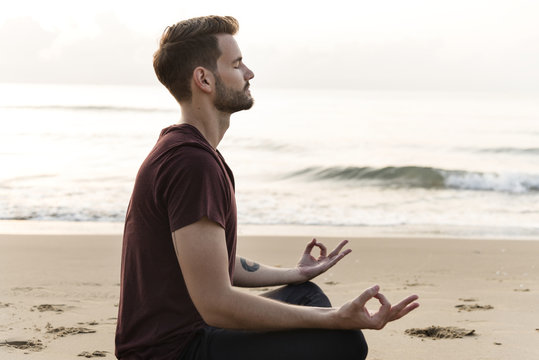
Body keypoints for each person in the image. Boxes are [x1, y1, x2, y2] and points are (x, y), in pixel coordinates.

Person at [115, 15, 419, 360]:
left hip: (192, 333)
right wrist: (333, 319)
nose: (249, 73)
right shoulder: (191, 164)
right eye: (237, 64)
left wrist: (296, 272)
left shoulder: (189, 152)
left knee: (306, 293)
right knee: (342, 341)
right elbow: (216, 304)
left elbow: (218, 265)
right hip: (173, 351)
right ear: (204, 79)